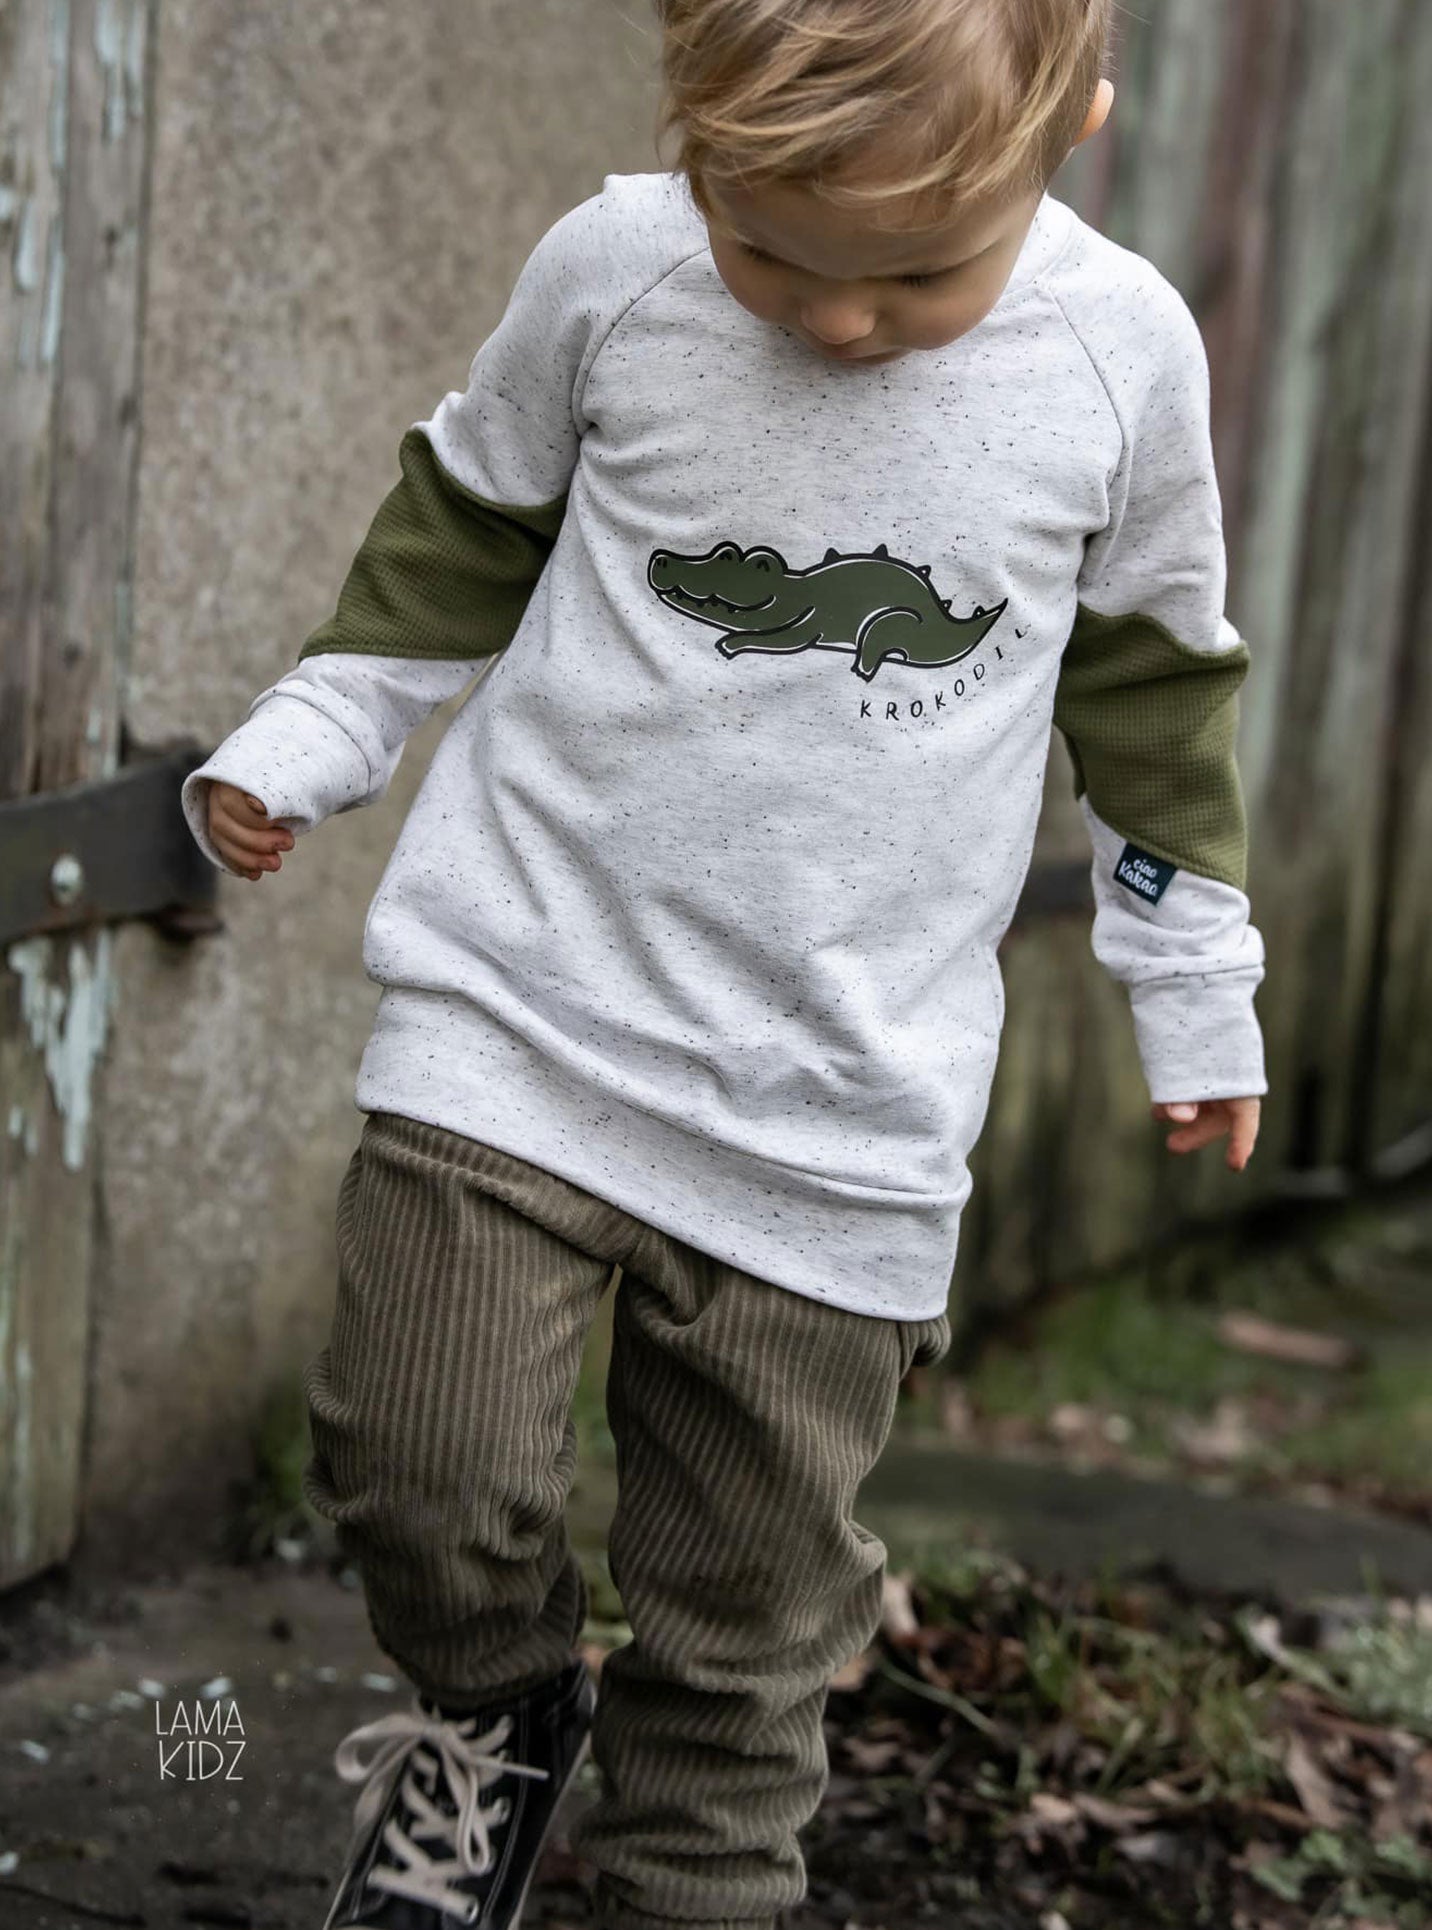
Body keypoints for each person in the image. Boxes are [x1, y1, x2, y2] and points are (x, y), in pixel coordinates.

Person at [181, 1, 1267, 1923]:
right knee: (416, 1459)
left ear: (1074, 128)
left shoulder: (1122, 360)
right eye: (768, 246)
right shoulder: (616, 269)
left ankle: (694, 1885)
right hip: (526, 1003)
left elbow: (1156, 698)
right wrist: (312, 731)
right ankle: (496, 1711)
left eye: (916, 275)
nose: (837, 322)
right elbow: (466, 523)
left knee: (742, 1626)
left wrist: (1194, 983)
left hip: (841, 1105)